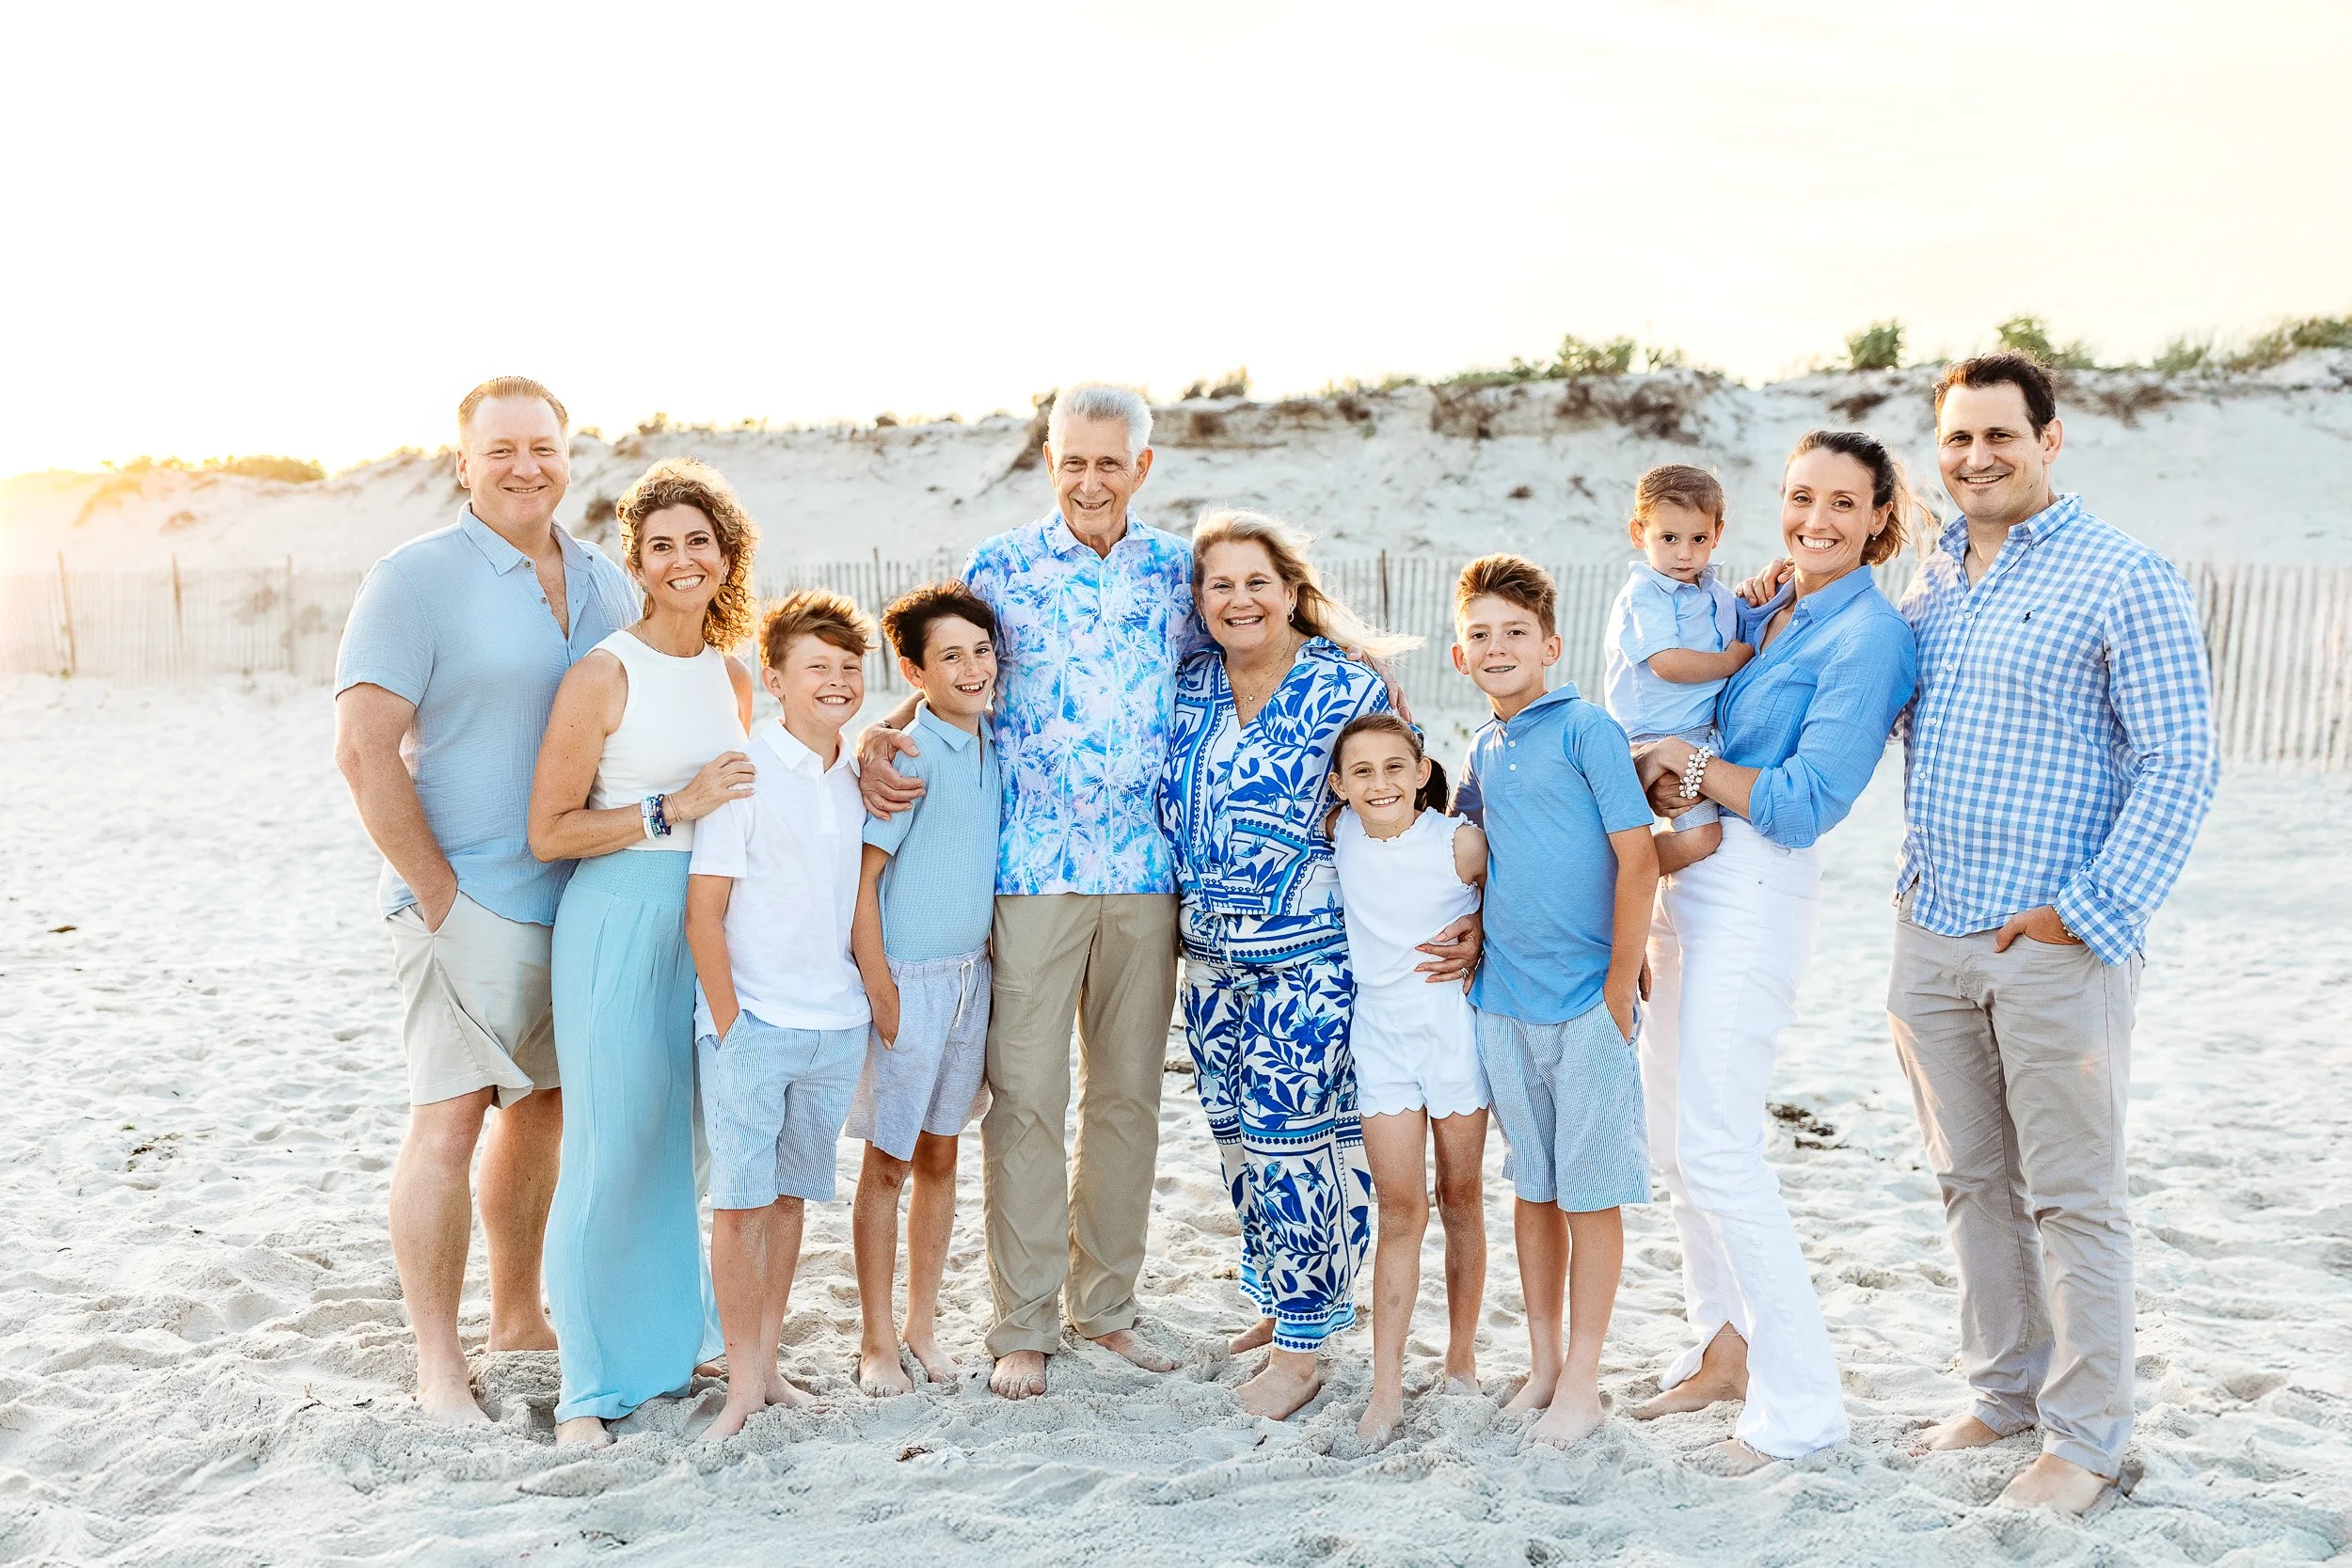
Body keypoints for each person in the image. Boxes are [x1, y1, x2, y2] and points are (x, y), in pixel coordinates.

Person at [1890, 354, 2217, 1511]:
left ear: (2050, 437)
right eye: (1957, 437)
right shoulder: (1927, 580)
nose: (1976, 456)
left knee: (2072, 1195)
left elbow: (2180, 758)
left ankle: (2081, 1439)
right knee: (1969, 1178)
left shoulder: (2124, 575)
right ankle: (2005, 1390)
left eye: (1998, 435)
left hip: (2055, 941)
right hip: (1929, 928)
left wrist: (2085, 911)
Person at [333, 376, 639, 1423]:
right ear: (463, 462)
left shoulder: (606, 580)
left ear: (568, 455)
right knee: (448, 1120)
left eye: (544, 446)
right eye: (501, 448)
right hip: (460, 902)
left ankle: (517, 1316)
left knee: (543, 1112)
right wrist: (435, 891)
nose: (525, 465)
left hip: (580, 903)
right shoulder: (413, 579)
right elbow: (364, 749)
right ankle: (436, 1360)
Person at [1629, 431, 1920, 1474]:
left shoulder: (1870, 637)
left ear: (1879, 516)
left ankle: (1800, 1408)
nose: (1817, 520)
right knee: (1671, 1138)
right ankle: (1722, 1346)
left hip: (1754, 885)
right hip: (1686, 877)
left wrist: (1690, 763)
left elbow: (1803, 801)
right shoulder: (1757, 607)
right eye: (1802, 497)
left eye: (1844, 503)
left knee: (1717, 1145)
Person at [523, 458, 757, 1446]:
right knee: (611, 1145)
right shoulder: (604, 671)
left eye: (697, 540)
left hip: (709, 927)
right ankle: (586, 1384)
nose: (680, 559)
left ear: (725, 553)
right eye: (659, 544)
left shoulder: (734, 674)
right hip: (616, 920)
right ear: (638, 561)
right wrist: (673, 805)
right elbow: (549, 831)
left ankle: (672, 1341)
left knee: (686, 1142)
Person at [1158, 510, 1407, 1419]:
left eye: (1256, 580)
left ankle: (1304, 1350)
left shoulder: (1346, 686)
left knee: (1293, 1139)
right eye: (1219, 584)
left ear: (1291, 588)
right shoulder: (1187, 686)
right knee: (1237, 1141)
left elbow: (1402, 795)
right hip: (1208, 961)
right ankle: (1280, 1300)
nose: (1239, 599)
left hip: (1309, 956)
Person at [1450, 555, 1660, 1449]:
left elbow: (1638, 859)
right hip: (1503, 1000)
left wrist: (1619, 983)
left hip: (1586, 1006)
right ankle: (1541, 1363)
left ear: (1551, 644)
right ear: (1459, 658)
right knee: (1531, 1190)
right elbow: (1484, 861)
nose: (1497, 648)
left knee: (1588, 1195)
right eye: (1480, 636)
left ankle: (1585, 1376)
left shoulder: (1587, 730)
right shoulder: (1481, 751)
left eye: (1514, 633)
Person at [684, 591, 876, 1441]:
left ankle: (767, 1368)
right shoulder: (744, 772)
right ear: (774, 678)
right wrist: (732, 1024)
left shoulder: (858, 772)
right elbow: (704, 912)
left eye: (847, 667)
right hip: (753, 1023)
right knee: (740, 1204)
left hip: (835, 1024)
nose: (835, 682)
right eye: (816, 667)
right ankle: (738, 1381)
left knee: (792, 1200)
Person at [846, 582, 1003, 1396]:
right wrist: (880, 990)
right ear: (914, 669)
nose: (973, 668)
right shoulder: (906, 754)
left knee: (943, 1152)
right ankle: (876, 1341)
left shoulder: (991, 744)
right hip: (906, 980)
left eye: (981, 650)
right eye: (951, 656)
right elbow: (865, 883)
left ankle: (923, 1325)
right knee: (888, 1161)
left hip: (972, 978)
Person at [1327, 712, 1490, 1449]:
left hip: (1452, 1034)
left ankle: (1460, 1358)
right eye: (1361, 771)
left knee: (1461, 1196)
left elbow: (1519, 901)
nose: (1380, 783)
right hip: (1382, 1038)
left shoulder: (1459, 843)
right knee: (1399, 1210)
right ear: (1339, 785)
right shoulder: (1342, 833)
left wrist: (1482, 932)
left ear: (1422, 771)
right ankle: (1385, 1389)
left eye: (1395, 767)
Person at [1601, 465, 1750, 863]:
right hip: (1654, 736)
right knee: (1702, 836)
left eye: (1698, 538)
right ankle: (1618, 875)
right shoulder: (1645, 595)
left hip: (1701, 734)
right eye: (1669, 538)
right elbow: (1667, 663)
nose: (1684, 553)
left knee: (1714, 825)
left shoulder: (1713, 592)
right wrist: (1729, 661)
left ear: (1717, 534)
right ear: (1639, 534)